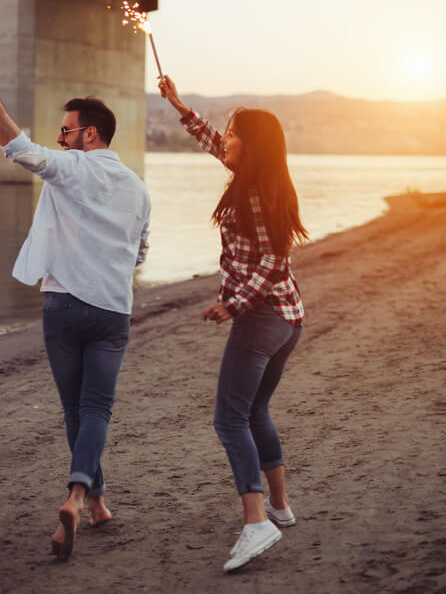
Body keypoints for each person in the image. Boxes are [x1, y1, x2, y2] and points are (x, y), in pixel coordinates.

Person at [0, 61, 151, 559]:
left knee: (77, 410)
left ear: (89, 134)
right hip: (113, 309)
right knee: (96, 409)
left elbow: (18, 150)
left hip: (65, 305)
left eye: (65, 131)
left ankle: (78, 497)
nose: (61, 139)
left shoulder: (72, 167)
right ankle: (94, 502)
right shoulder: (139, 189)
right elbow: (140, 254)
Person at [158, 74, 307, 572]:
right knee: (255, 410)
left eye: (233, 132)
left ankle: (256, 521)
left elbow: (274, 261)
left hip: (262, 317)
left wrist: (233, 305)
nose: (225, 138)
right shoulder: (252, 177)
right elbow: (211, 142)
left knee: (228, 418)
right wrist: (179, 105)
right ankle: (281, 508)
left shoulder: (260, 196)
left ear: (253, 145)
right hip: (287, 319)